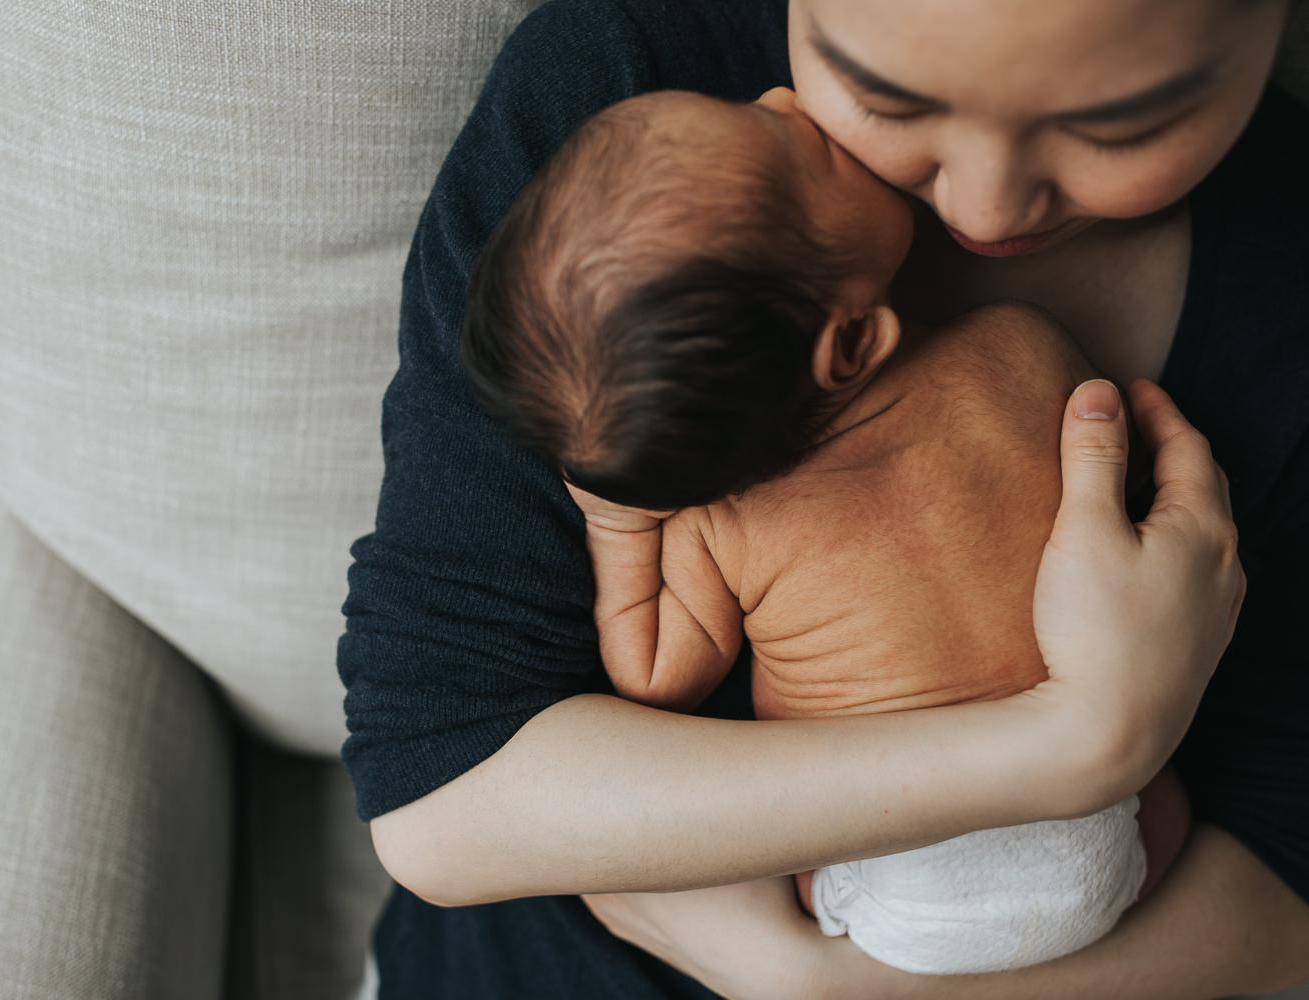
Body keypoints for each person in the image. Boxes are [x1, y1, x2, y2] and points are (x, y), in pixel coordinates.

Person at [340, 1, 1304, 997]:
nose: (985, 211)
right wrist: (1086, 741)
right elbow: (439, 794)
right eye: (884, 95)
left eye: (1121, 126)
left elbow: (1286, 879)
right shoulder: (628, 130)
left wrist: (825, 988)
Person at [460, 86, 1164, 974]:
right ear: (855, 342)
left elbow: (653, 678)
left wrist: (615, 522)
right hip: (1107, 839)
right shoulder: (1024, 351)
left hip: (904, 894)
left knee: (766, 881)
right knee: (1158, 818)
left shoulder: (724, 526)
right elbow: (1124, 491)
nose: (784, 99)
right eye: (805, 152)